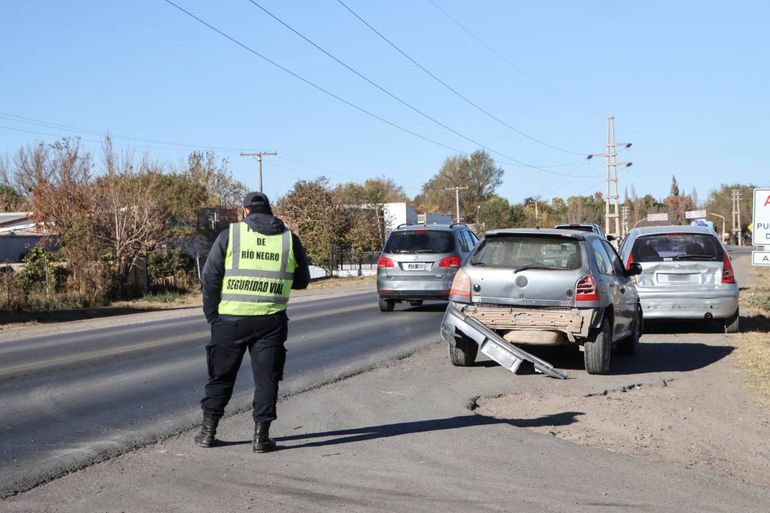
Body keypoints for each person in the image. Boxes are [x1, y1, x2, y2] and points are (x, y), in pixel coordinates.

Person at [194, 191, 310, 452]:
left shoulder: (230, 235)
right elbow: (302, 281)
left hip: (230, 320)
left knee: (221, 377)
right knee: (266, 379)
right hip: (270, 321)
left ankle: (207, 433)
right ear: (270, 210)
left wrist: (213, 317)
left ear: (244, 211)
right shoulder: (289, 239)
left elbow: (209, 279)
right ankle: (261, 437)